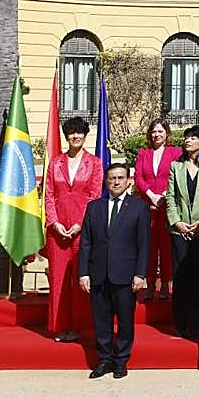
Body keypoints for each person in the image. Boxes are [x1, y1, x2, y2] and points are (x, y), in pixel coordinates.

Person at [78, 162, 149, 379]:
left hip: (125, 275)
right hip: (99, 273)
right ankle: (104, 360)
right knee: (102, 321)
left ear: (128, 181)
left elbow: (144, 243)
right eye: (112, 178)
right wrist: (83, 273)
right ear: (106, 181)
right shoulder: (94, 207)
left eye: (120, 178)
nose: (116, 182)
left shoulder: (138, 207)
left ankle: (121, 360)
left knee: (126, 321)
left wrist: (140, 274)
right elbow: (86, 243)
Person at [44, 116, 104, 342]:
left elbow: (94, 196)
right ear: (66, 136)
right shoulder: (55, 163)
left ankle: (81, 327)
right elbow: (48, 194)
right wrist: (55, 222)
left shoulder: (95, 163)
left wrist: (80, 224)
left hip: (84, 229)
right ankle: (60, 327)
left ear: (85, 135)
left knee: (82, 279)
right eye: (71, 133)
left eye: (79, 132)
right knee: (59, 281)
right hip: (57, 230)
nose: (75, 136)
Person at [164, 125, 199, 340]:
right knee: (180, 278)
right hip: (180, 231)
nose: (188, 140)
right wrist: (177, 223)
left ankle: (195, 325)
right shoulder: (175, 166)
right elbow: (170, 198)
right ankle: (180, 323)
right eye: (186, 137)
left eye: (193, 137)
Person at [133, 119, 181, 301]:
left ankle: (165, 286)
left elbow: (176, 176)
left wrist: (163, 196)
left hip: (167, 206)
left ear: (166, 133)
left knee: (166, 247)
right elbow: (138, 176)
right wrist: (151, 194)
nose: (157, 134)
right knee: (148, 248)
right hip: (147, 206)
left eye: (160, 131)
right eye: (154, 131)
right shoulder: (144, 153)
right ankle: (150, 284)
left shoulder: (175, 152)